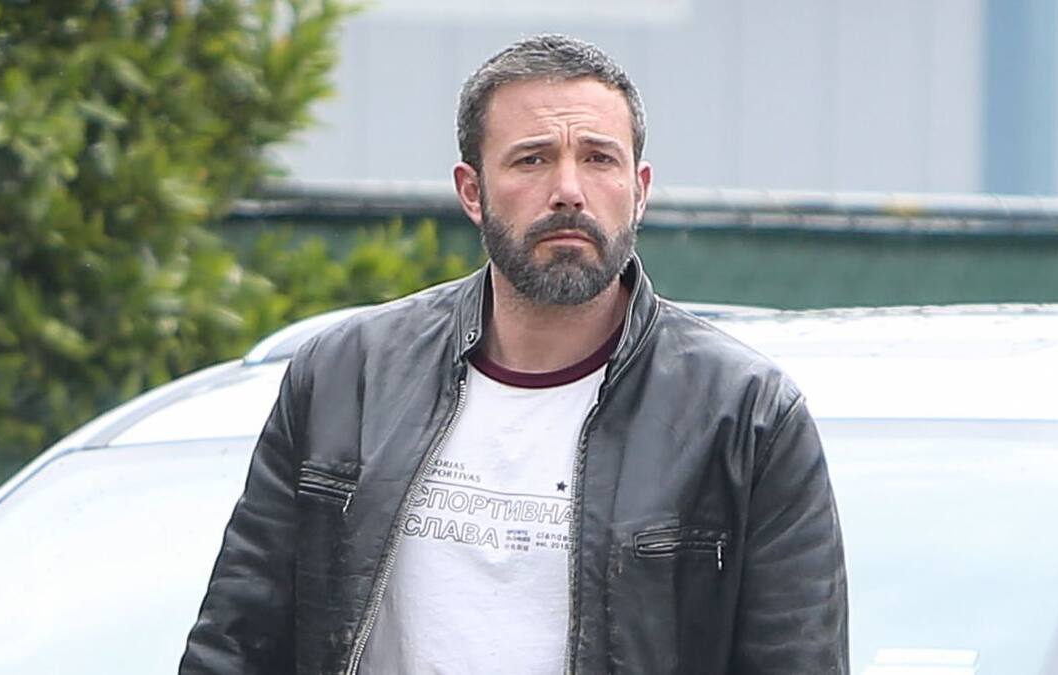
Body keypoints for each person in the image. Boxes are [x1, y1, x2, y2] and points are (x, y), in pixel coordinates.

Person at [180, 33, 847, 674]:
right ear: (472, 191)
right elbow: (234, 645)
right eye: (532, 159)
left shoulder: (744, 415)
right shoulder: (345, 378)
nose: (569, 190)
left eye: (599, 158)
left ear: (639, 189)